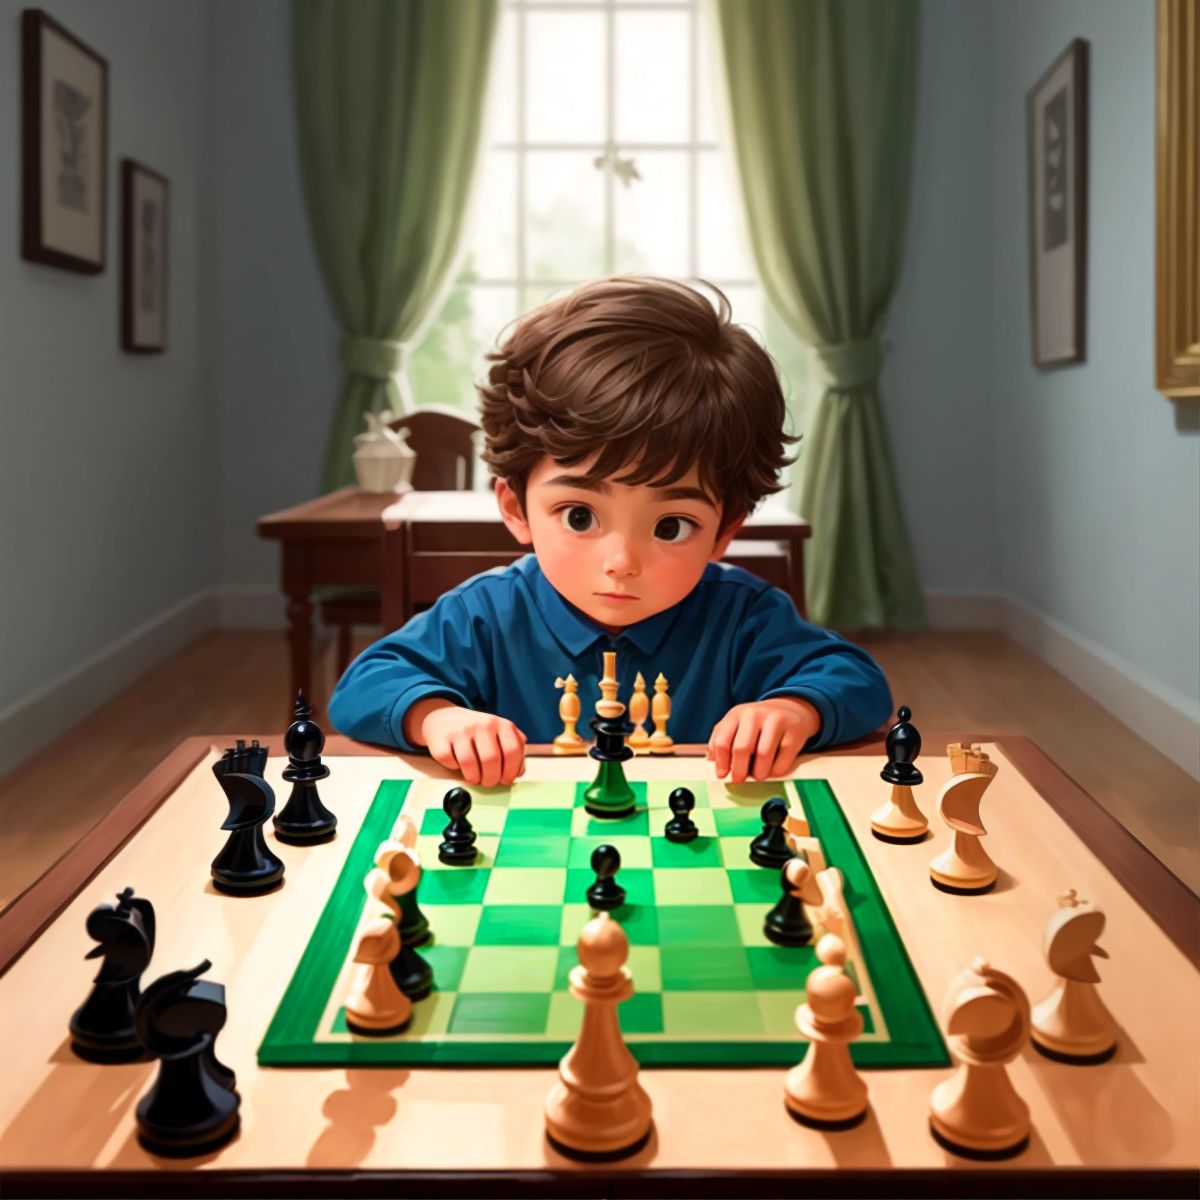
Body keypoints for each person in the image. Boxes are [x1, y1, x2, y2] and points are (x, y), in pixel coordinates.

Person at [329, 276, 892, 787]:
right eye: (580, 516)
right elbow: (365, 684)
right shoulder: (485, 615)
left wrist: (795, 709)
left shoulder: (744, 617)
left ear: (724, 532)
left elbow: (859, 681)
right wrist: (437, 717)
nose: (622, 560)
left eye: (671, 526)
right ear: (516, 507)